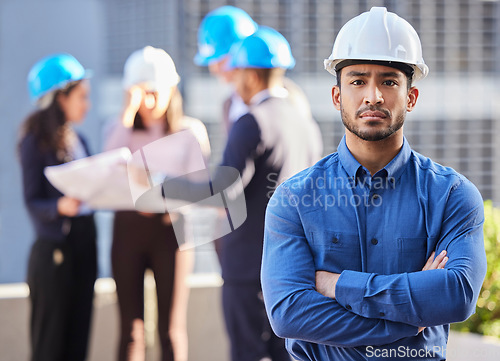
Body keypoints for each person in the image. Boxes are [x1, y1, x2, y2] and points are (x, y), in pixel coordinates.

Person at [261, 7, 487, 361]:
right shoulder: (293, 198)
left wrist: (336, 285)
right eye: (357, 81)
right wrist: (408, 320)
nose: (373, 96)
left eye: (389, 81)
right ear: (337, 97)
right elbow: (288, 312)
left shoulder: (452, 195)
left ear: (410, 98)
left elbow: (456, 295)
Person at [165, 26, 323, 361]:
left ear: (249, 76)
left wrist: (164, 185)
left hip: (248, 265)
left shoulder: (251, 122)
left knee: (247, 353)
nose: (233, 83)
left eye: (236, 74)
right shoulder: (306, 124)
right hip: (293, 266)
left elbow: (221, 190)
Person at [104, 46, 210, 361]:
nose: (147, 103)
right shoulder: (118, 129)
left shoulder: (190, 131)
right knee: (130, 331)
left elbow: (201, 188)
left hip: (171, 232)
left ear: (170, 90)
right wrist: (126, 116)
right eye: (139, 95)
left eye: (154, 93)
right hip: (128, 230)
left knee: (170, 331)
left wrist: (160, 188)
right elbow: (105, 168)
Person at [19, 53, 97, 361]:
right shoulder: (33, 142)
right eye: (81, 97)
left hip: (83, 247)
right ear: (59, 98)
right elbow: (31, 200)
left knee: (79, 341)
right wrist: (58, 207)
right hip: (54, 253)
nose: (86, 105)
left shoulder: (81, 140)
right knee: (50, 345)